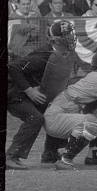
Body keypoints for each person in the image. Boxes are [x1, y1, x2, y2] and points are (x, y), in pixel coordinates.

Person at [6, 20, 78, 169]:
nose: (71, 37)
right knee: (35, 118)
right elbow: (13, 68)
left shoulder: (64, 54)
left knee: (58, 113)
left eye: (71, 34)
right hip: (15, 94)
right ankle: (11, 156)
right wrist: (29, 90)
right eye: (67, 35)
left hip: (30, 96)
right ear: (56, 39)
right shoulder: (43, 56)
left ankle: (50, 155)